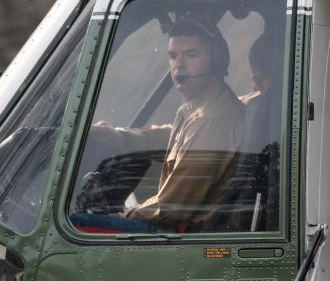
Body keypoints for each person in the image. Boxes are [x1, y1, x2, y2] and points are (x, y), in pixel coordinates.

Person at [73, 19, 245, 233]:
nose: (178, 64)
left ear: (217, 61)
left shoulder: (209, 119)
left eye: (191, 55)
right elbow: (175, 136)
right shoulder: (200, 106)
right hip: (177, 224)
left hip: (181, 233)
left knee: (73, 224)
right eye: (173, 56)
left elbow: (173, 206)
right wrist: (124, 138)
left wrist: (129, 213)